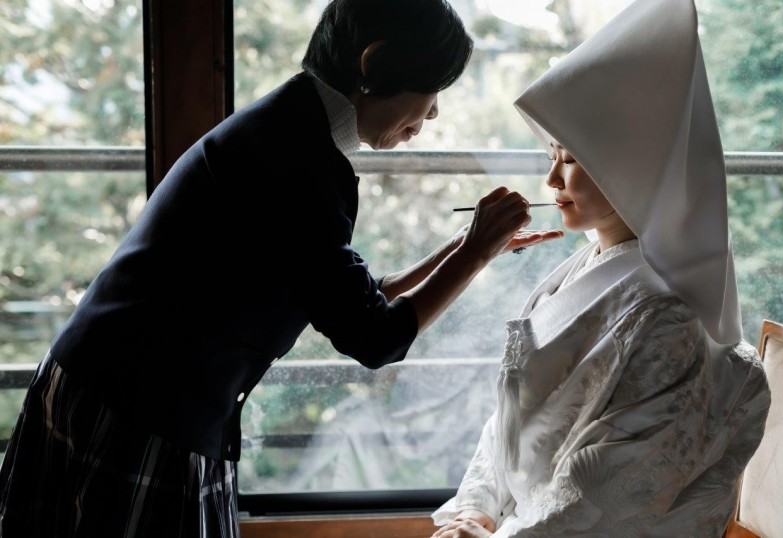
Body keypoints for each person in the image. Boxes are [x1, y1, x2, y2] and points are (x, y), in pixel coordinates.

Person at [0, 1, 565, 536]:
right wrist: (474, 253)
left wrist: (464, 246)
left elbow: (353, 295)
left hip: (119, 388)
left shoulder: (290, 127)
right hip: (136, 410)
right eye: (432, 89)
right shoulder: (300, 160)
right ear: (375, 66)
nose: (433, 112)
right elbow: (375, 337)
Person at [430, 0, 772, 536]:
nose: (552, 180)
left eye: (570, 159)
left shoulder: (669, 316)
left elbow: (607, 495)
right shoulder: (582, 271)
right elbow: (509, 426)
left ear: (632, 166)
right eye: (552, 155)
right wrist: (477, 509)